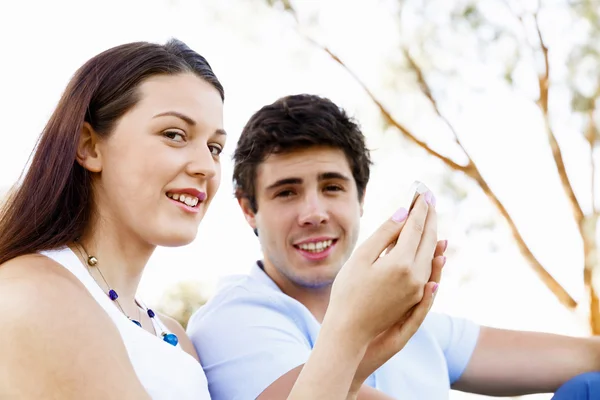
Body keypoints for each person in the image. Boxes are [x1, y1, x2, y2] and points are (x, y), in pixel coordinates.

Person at [0, 40, 443, 399]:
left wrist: (363, 348)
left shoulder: (171, 335)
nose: (206, 167)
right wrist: (347, 330)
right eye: (175, 135)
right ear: (89, 146)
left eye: (214, 147)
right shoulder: (36, 292)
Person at [187, 93, 600, 400]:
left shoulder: (408, 316)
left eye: (332, 187)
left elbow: (580, 357)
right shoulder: (231, 321)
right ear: (248, 210)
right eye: (286, 193)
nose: (313, 213)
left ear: (360, 198)